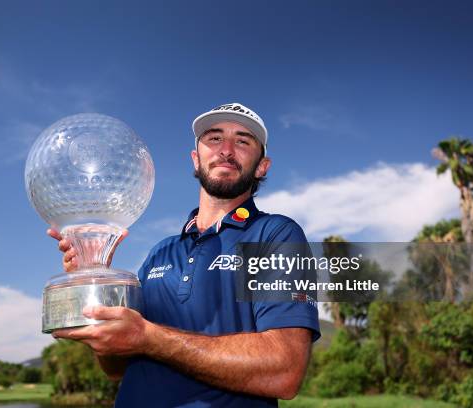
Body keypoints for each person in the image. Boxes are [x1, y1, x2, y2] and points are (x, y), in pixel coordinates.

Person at [48, 102, 320, 407]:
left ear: (262, 166)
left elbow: (284, 372)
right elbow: (116, 368)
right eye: (214, 138)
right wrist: (94, 290)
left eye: (243, 141)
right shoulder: (159, 252)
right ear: (195, 159)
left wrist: (149, 338)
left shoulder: (277, 234)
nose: (226, 150)